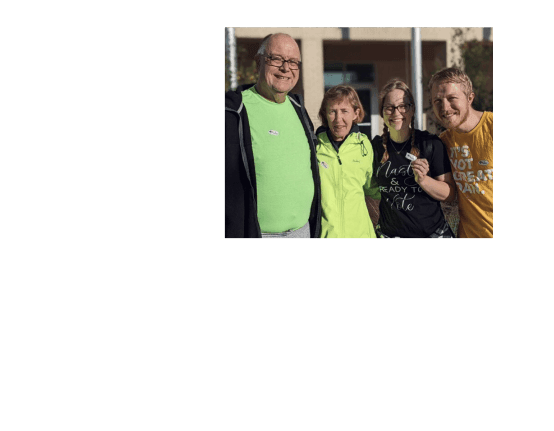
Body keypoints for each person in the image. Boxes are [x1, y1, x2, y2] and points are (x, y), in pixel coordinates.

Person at [224, 33, 321, 239]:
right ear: (259, 63)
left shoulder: (299, 109)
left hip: (303, 232)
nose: (286, 68)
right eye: (276, 59)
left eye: (293, 62)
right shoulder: (233, 112)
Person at [371, 79, 456, 239]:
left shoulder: (430, 144)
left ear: (412, 110)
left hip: (433, 235)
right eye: (389, 108)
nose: (397, 113)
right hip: (390, 236)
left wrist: (423, 180)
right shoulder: (375, 148)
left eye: (403, 106)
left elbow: (449, 194)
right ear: (382, 112)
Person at [429, 67, 493, 239]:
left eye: (452, 98)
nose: (445, 107)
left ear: (470, 98)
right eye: (437, 101)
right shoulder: (442, 142)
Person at [315, 85, 379, 239]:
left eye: (344, 111)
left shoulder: (365, 146)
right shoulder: (314, 147)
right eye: (332, 112)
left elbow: (373, 192)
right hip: (326, 236)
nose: (338, 119)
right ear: (325, 114)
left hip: (362, 236)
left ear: (355, 113)